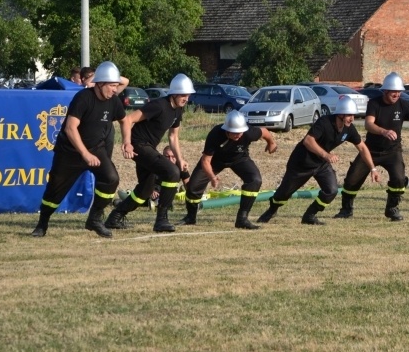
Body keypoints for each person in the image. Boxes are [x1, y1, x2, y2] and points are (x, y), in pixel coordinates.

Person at [332, 72, 409, 221]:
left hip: (393, 151)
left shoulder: (404, 105)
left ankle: (392, 209)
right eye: (394, 91)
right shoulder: (374, 103)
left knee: (398, 179)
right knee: (352, 179)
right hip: (371, 150)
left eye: (399, 91)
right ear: (385, 91)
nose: (397, 94)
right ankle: (346, 210)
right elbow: (368, 124)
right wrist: (384, 131)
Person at [31, 61, 130, 238]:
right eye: (112, 85)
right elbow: (70, 128)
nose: (116, 89)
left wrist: (127, 142)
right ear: (100, 84)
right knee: (55, 191)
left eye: (116, 85)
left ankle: (94, 219)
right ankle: (42, 223)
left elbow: (124, 120)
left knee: (111, 179)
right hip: (70, 152)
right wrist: (85, 154)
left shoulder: (113, 101)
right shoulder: (84, 98)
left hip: (96, 149)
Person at [257, 96, 380, 225]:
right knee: (283, 194)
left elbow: (362, 148)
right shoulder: (324, 122)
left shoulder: (349, 129)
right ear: (340, 114)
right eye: (349, 115)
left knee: (331, 190)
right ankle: (272, 210)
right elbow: (308, 141)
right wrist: (326, 155)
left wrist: (373, 168)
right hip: (302, 162)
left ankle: (310, 216)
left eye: (353, 115)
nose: (352, 118)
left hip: (321, 164)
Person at [105, 73, 194, 233]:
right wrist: (127, 144)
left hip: (149, 147)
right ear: (174, 93)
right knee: (172, 172)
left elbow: (173, 137)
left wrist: (180, 159)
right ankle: (161, 220)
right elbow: (128, 119)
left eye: (188, 95)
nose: (186, 99)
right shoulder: (159, 105)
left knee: (145, 190)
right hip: (138, 144)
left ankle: (115, 217)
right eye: (183, 95)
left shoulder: (178, 110)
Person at [179, 110, 277, 229]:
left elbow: (264, 132)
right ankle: (190, 217)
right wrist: (212, 177)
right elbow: (206, 160)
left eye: (240, 132)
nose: (238, 135)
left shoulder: (249, 132)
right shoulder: (215, 134)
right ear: (226, 129)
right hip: (215, 161)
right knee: (193, 186)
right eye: (234, 132)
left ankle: (242, 219)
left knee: (255, 180)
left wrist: (271, 143)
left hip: (240, 158)